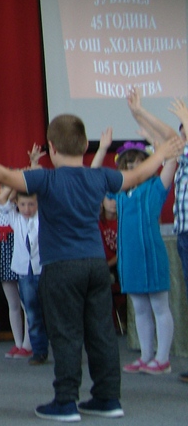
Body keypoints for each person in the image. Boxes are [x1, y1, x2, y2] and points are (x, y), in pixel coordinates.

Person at [0, 114, 182, 421]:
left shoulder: (46, 179)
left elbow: (3, 175)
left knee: (66, 334)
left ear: (52, 148)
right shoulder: (100, 177)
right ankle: (107, 398)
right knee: (101, 334)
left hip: (60, 268)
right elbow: (138, 175)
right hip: (96, 266)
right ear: (85, 146)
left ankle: (66, 402)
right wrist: (162, 153)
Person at [92, 102, 180, 376]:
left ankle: (162, 359)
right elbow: (92, 179)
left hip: (150, 254)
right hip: (129, 258)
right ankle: (146, 356)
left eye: (138, 164)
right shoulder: (119, 194)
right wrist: (102, 149)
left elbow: (171, 160)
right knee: (140, 308)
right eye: (128, 165)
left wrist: (155, 140)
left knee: (159, 306)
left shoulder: (156, 186)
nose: (132, 169)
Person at [0, 182, 45, 365]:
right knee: (30, 310)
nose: (27, 209)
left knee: (49, 309)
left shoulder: (42, 217)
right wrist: (15, 183)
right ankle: (38, 350)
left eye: (31, 204)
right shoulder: (14, 217)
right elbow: (2, 199)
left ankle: (58, 346)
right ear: (16, 203)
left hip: (42, 269)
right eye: (23, 204)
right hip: (24, 271)